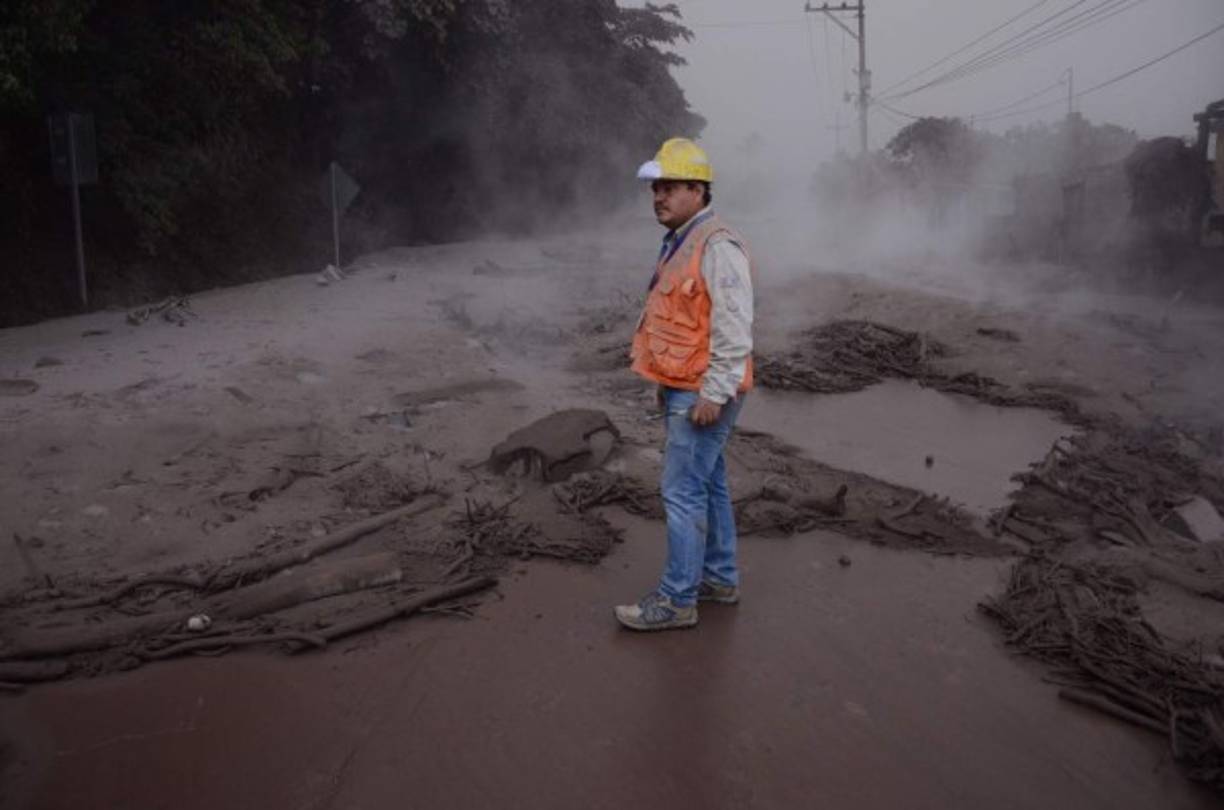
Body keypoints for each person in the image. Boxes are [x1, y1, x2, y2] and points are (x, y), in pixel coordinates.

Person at [614, 138, 754, 632]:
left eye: (670, 187)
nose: (659, 197)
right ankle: (718, 578)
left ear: (698, 190)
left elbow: (735, 329)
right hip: (687, 386)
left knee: (681, 491)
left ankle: (676, 600)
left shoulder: (717, 246)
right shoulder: (681, 240)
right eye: (657, 188)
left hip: (702, 392)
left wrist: (713, 393)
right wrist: (665, 381)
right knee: (709, 484)